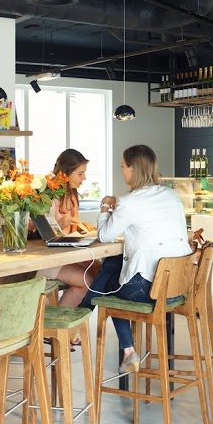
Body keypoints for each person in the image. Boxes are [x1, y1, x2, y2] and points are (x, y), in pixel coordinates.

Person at [81, 145, 192, 373]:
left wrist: (105, 206)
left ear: (133, 169)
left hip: (148, 289)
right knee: (113, 264)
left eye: (123, 166)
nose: (121, 170)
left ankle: (126, 348)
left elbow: (104, 236)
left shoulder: (129, 202)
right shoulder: (171, 195)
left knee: (108, 286)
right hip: (177, 286)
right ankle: (115, 344)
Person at [40, 149, 99, 311]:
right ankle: (58, 324)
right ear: (66, 173)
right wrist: (64, 222)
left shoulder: (71, 194)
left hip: (65, 254)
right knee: (87, 281)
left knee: (99, 272)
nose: (84, 178)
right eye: (80, 174)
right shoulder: (48, 194)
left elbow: (70, 229)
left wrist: (82, 227)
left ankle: (72, 323)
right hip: (48, 258)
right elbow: (47, 233)